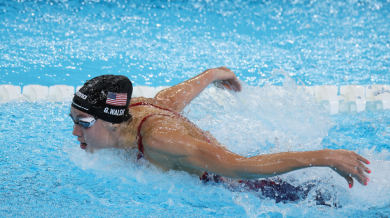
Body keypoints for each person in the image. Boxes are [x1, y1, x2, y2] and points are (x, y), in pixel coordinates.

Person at [70, 67, 371, 205]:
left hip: (258, 189)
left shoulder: (159, 141)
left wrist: (324, 157)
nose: (74, 132)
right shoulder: (135, 108)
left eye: (83, 122)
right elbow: (170, 100)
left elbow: (242, 167)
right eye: (73, 120)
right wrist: (213, 74)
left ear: (111, 123)